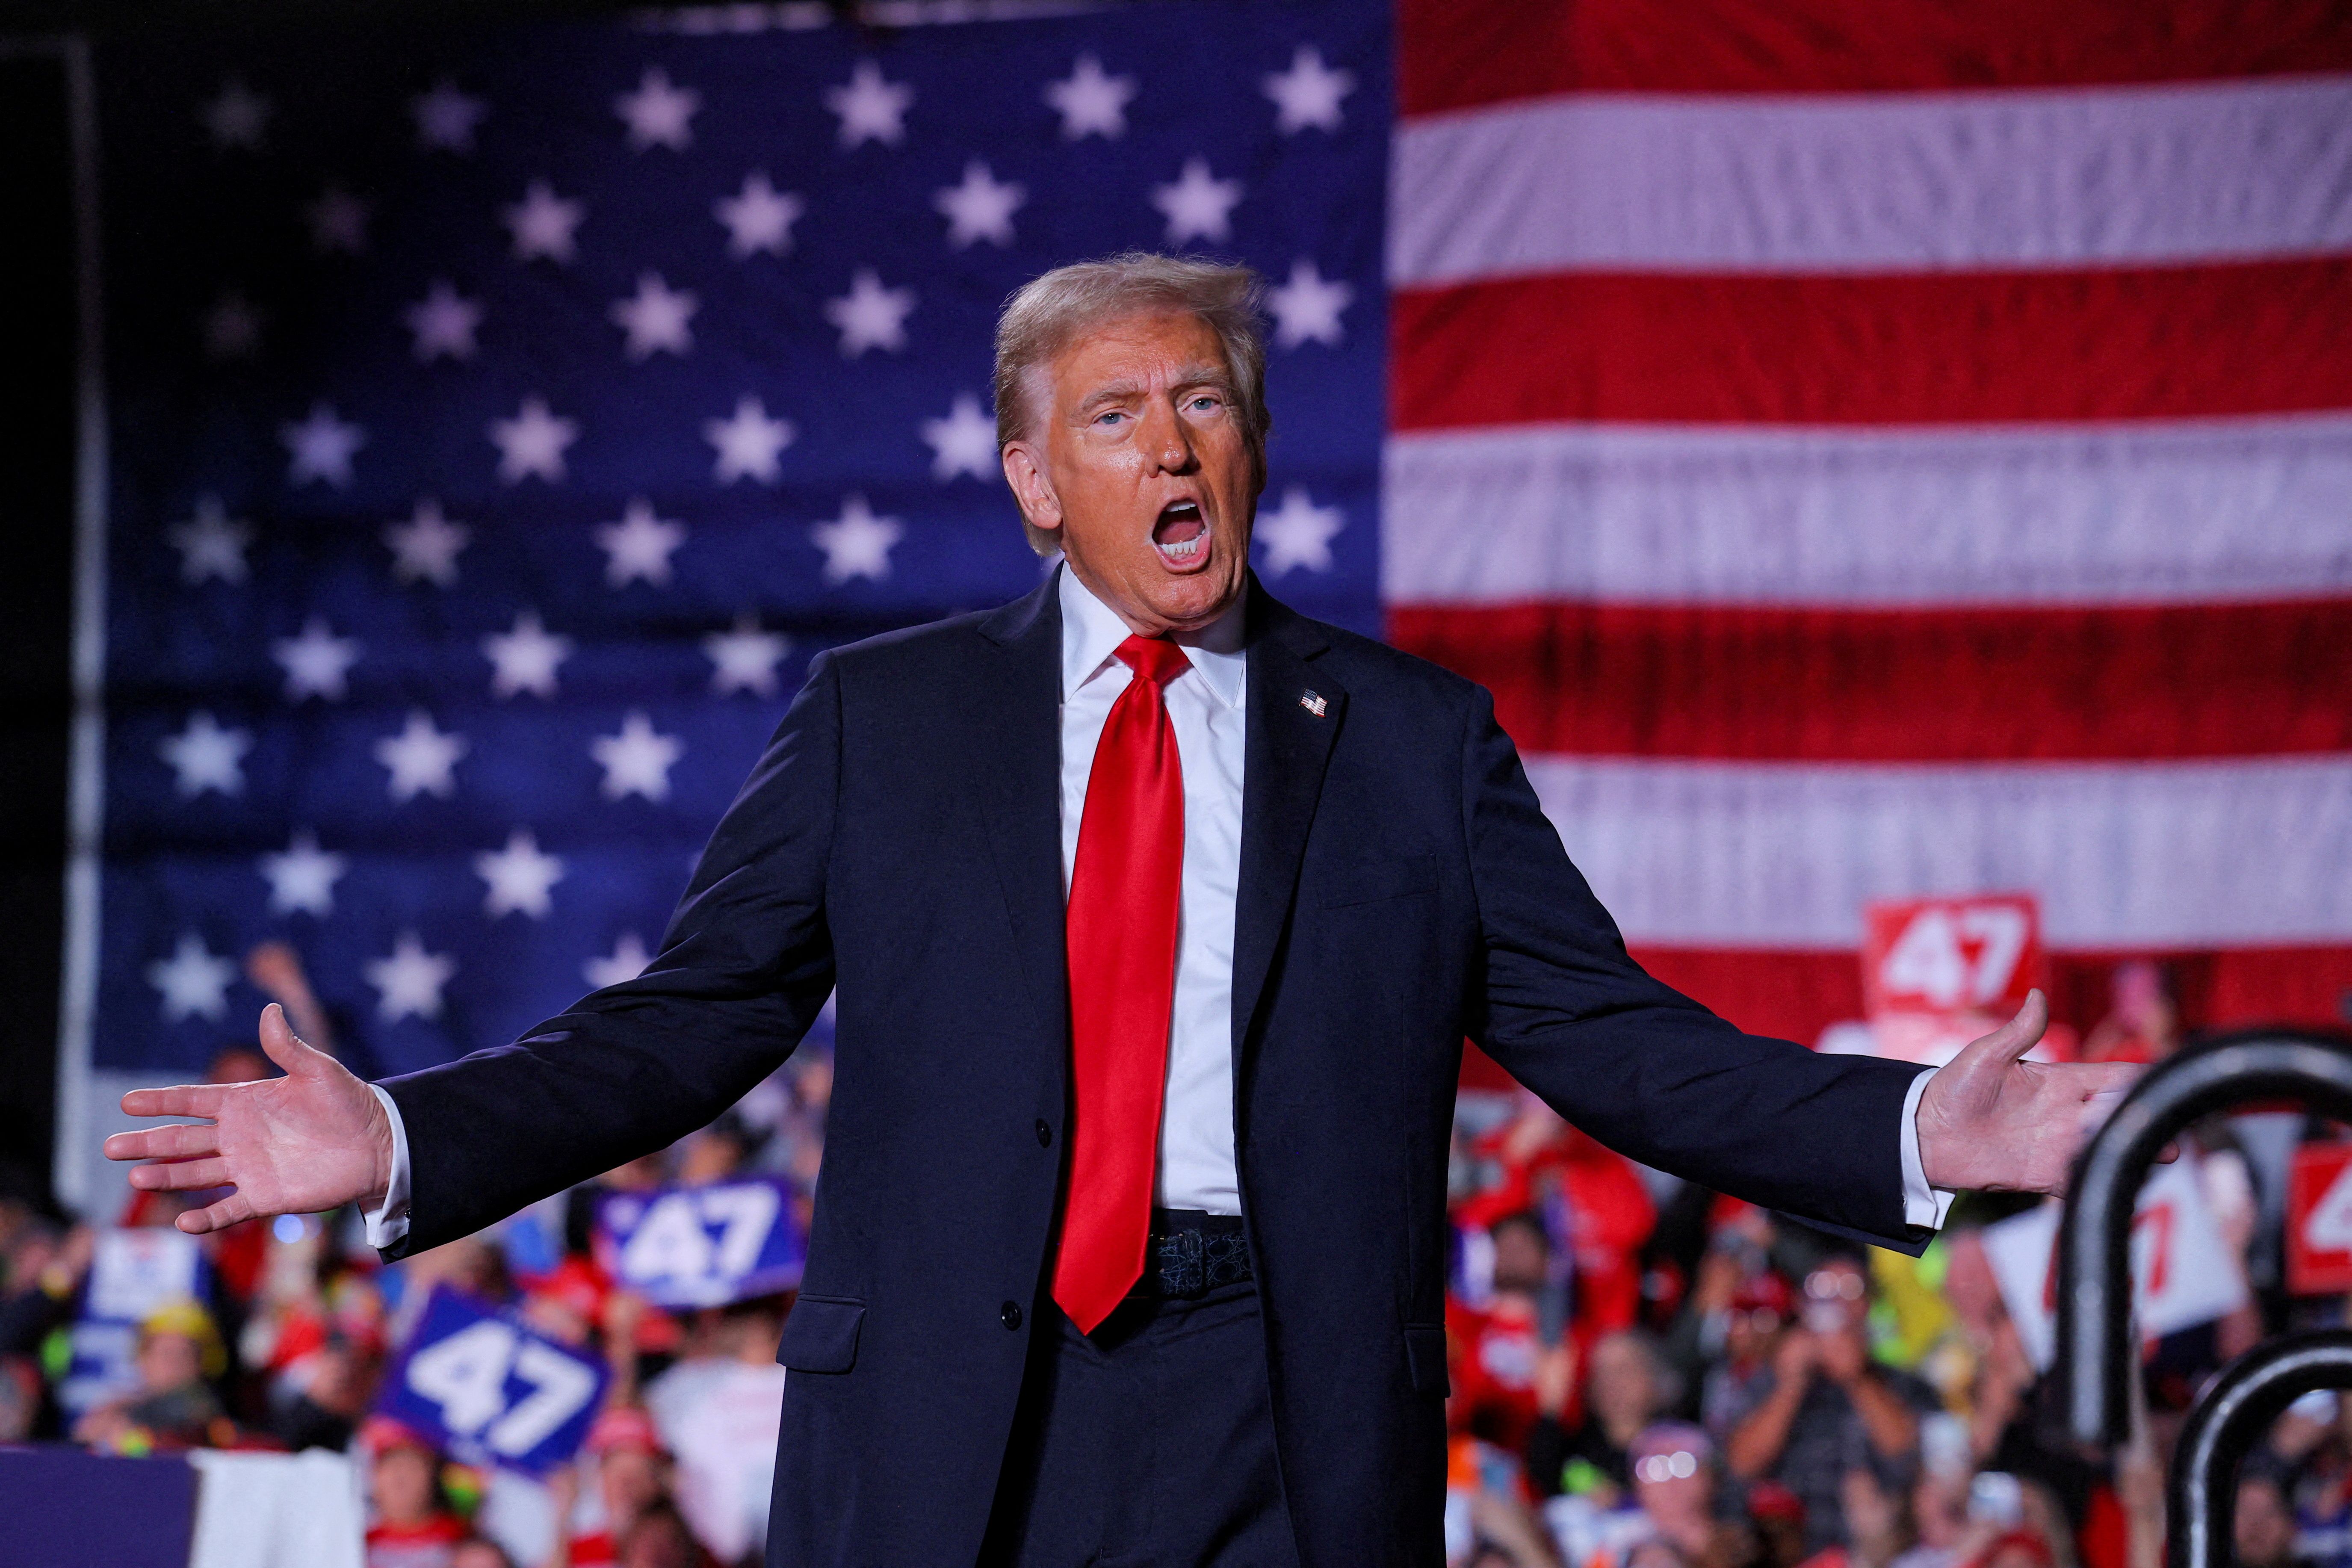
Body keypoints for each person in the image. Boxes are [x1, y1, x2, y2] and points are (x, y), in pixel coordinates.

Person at [107, 252, 2136, 1568]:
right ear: (1029, 479)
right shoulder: (885, 716)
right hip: (948, 1413)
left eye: (1207, 404)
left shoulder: (1410, 737)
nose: (1175, 442)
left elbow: (1606, 1034)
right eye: (1116, 415)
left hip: (1285, 1402)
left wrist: (1899, 1124)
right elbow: (688, 1019)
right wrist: (402, 1130)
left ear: (1250, 447)